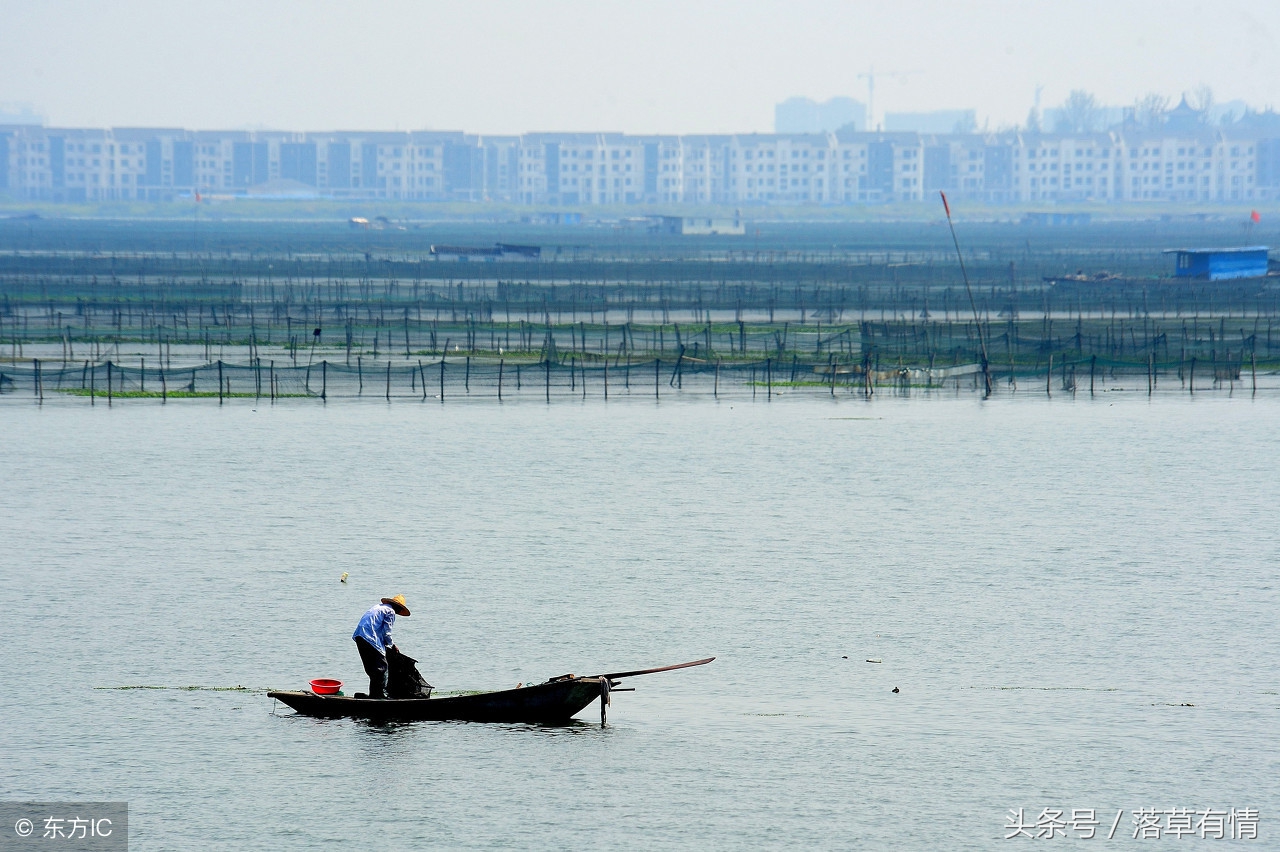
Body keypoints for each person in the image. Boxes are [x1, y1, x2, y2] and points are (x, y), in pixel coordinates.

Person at [352, 595, 410, 699]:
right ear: (398, 607)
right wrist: (392, 645)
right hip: (369, 637)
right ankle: (381, 695)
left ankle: (374, 695)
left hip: (360, 637)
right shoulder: (390, 611)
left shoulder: (378, 607)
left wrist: (389, 644)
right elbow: (386, 632)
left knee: (373, 669)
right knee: (382, 666)